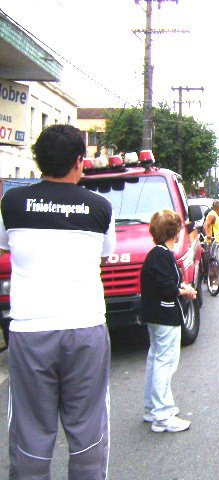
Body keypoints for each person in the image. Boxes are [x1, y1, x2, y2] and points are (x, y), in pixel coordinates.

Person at [0, 125, 116, 478]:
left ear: (38, 161)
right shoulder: (100, 207)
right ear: (80, 162)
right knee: (88, 430)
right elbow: (106, 253)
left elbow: (7, 244)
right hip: (85, 328)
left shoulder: (11, 204)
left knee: (30, 432)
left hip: (30, 331)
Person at [141, 210, 197, 433]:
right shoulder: (163, 255)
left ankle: (151, 408)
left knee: (155, 360)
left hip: (155, 316)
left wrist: (180, 288)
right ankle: (162, 415)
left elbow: (162, 283)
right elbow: (166, 288)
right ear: (174, 233)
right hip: (165, 316)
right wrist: (183, 291)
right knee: (166, 363)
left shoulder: (157, 253)